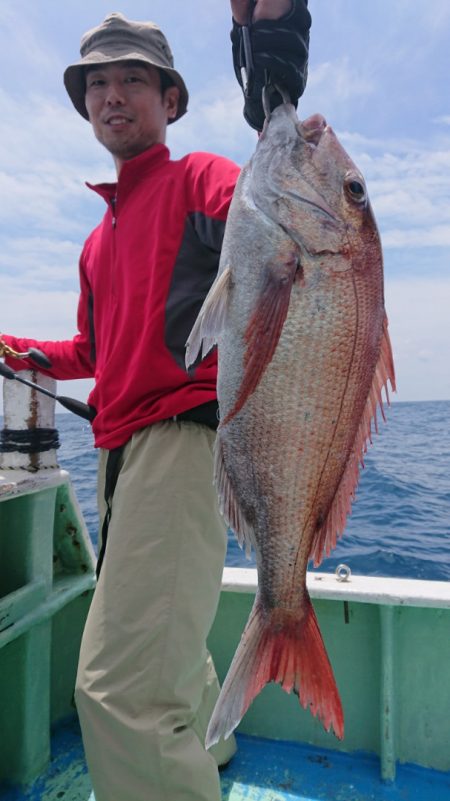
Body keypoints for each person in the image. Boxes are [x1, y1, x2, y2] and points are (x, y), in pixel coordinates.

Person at [0, 3, 311, 799]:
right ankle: (211, 750)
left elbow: (280, 211)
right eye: (96, 84)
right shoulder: (96, 239)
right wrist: (24, 353)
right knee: (165, 643)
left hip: (182, 444)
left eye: (133, 80)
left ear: (170, 100)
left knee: (119, 691)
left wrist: (271, 73)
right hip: (119, 455)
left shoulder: (198, 178)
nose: (112, 96)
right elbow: (97, 355)